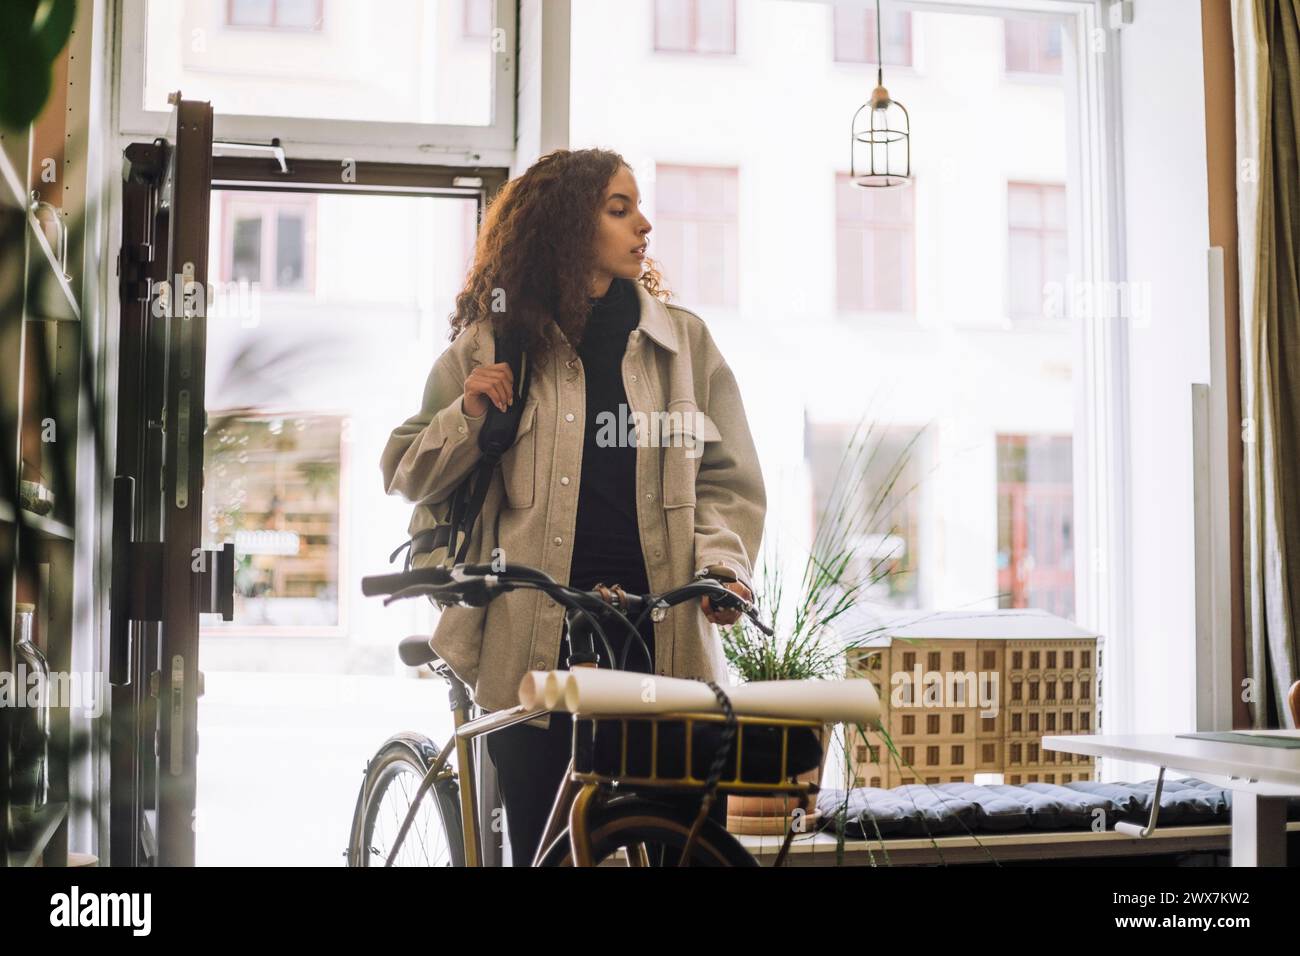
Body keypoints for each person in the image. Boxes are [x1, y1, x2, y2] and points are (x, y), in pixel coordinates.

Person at [381, 148, 766, 865]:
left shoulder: (683, 346)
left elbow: (727, 479)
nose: (643, 224)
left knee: (680, 843)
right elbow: (405, 469)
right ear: (564, 229)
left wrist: (722, 565)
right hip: (534, 639)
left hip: (663, 635)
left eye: (638, 207)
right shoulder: (498, 344)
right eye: (619, 210)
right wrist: (466, 414)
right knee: (547, 847)